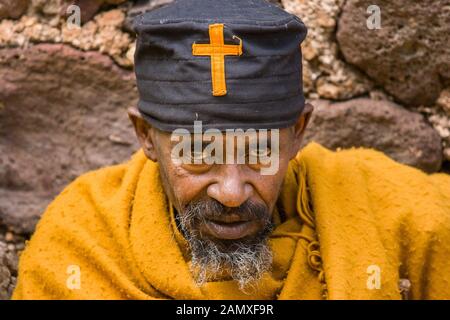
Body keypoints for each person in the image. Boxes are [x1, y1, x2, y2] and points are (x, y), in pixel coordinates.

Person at [13, 0, 450, 299]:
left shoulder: (393, 213)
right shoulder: (82, 242)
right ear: (146, 135)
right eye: (200, 154)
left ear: (299, 132)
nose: (231, 192)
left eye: (260, 153)